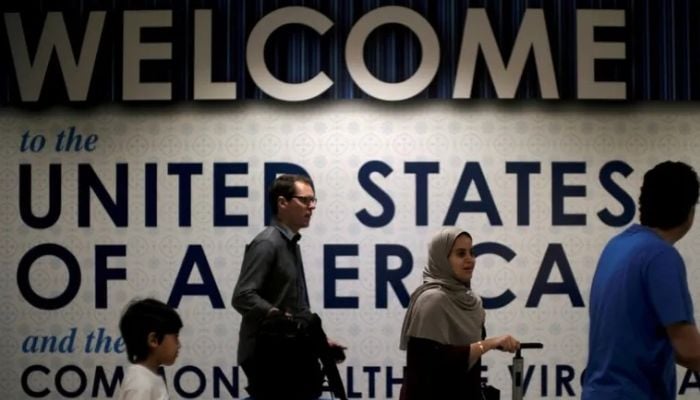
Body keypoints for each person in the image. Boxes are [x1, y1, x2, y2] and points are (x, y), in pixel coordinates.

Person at [583, 161, 700, 399]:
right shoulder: (661, 256)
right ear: (690, 210)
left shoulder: (617, 246)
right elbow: (688, 350)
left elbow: (646, 338)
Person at [232, 174, 344, 399]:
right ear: (282, 203)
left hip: (289, 351)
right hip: (269, 355)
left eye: (313, 200)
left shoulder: (291, 243)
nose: (311, 206)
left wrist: (315, 338)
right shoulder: (267, 243)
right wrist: (279, 317)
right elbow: (243, 296)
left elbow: (293, 304)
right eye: (304, 200)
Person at [399, 227, 520, 400]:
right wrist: (488, 344)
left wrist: (488, 345)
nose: (470, 259)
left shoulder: (472, 302)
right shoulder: (433, 300)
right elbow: (432, 364)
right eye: (460, 254)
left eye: (471, 252)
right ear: (442, 259)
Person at [116, 298, 183, 400]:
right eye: (176, 337)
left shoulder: (148, 378)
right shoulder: (140, 384)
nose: (179, 345)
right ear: (153, 340)